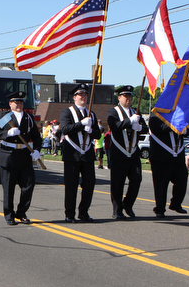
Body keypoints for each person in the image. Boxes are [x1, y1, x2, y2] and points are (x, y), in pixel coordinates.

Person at [0, 91, 42, 225]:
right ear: (10, 104)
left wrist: (36, 150)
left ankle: (21, 212)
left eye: (20, 102)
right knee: (9, 188)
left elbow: (36, 136)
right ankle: (9, 215)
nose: (18, 104)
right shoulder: (5, 117)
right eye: (16, 102)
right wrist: (7, 133)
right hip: (9, 156)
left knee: (28, 186)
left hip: (24, 156)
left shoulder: (28, 117)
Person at [60, 83, 101, 223]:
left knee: (89, 184)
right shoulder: (67, 112)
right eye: (80, 95)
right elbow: (65, 129)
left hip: (87, 154)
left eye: (85, 95)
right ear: (74, 97)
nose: (83, 97)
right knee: (71, 186)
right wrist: (82, 124)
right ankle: (69, 214)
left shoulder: (92, 114)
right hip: (72, 154)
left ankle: (84, 212)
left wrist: (91, 130)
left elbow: (98, 134)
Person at [107, 85, 148, 220]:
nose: (128, 99)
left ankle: (128, 204)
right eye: (125, 96)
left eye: (130, 96)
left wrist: (139, 126)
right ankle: (117, 210)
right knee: (117, 183)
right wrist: (130, 121)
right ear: (119, 98)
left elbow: (145, 128)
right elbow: (114, 126)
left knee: (136, 179)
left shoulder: (136, 112)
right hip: (119, 152)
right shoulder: (113, 111)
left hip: (133, 153)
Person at [149, 115, 189, 218]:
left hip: (178, 156)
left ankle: (176, 204)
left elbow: (187, 130)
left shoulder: (179, 116)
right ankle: (160, 208)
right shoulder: (155, 117)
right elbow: (160, 128)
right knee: (161, 185)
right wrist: (178, 125)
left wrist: (185, 129)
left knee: (182, 180)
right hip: (161, 158)